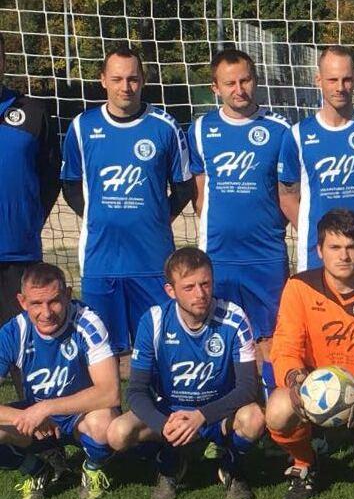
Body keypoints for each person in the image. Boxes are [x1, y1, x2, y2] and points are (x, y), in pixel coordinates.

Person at [265, 209, 354, 499]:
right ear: (319, 251)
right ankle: (305, 463)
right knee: (277, 410)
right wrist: (293, 380)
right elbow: (285, 347)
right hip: (311, 389)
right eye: (335, 247)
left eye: (352, 247)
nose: (344, 256)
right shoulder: (299, 288)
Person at [60, 45, 194, 356]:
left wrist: (158, 217)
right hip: (101, 261)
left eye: (132, 79)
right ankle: (108, 407)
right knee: (103, 354)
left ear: (143, 80)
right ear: (103, 80)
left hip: (152, 261)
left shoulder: (165, 127)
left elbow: (184, 188)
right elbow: (70, 186)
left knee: (159, 349)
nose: (125, 87)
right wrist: (99, 214)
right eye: (117, 79)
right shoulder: (82, 126)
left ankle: (155, 406)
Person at [106, 248, 265, 499]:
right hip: (172, 413)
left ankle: (231, 464)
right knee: (117, 433)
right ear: (171, 291)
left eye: (205, 284)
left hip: (218, 413)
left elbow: (248, 387)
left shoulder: (234, 317)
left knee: (254, 417)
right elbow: (135, 390)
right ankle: (171, 459)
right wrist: (163, 424)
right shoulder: (154, 321)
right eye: (189, 287)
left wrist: (201, 416)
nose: (200, 294)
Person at [188, 48, 292, 396]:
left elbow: (289, 192)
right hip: (218, 255)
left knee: (272, 337)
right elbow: (200, 195)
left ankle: (279, 412)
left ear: (255, 80)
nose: (239, 89)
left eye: (245, 80)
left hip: (266, 254)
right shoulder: (201, 129)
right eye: (230, 83)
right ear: (215, 87)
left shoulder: (279, 131)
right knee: (216, 334)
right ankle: (223, 413)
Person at [0, 263, 119, 499]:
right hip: (37, 422)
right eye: (36, 304)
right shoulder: (13, 333)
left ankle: (93, 468)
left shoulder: (87, 322)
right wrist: (22, 417)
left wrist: (46, 408)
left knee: (105, 424)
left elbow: (110, 393)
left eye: (54, 301)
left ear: (67, 294)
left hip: (81, 415)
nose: (46, 312)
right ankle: (34, 469)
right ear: (22, 302)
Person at [280, 45, 354, 279]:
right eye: (332, 79)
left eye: (346, 80)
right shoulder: (296, 135)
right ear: (318, 80)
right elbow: (287, 197)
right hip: (317, 254)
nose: (340, 87)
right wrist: (323, 240)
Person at [0, 36, 62, 325]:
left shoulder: (32, 112)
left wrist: (29, 218)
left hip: (19, 253)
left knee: (22, 350)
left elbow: (50, 177)